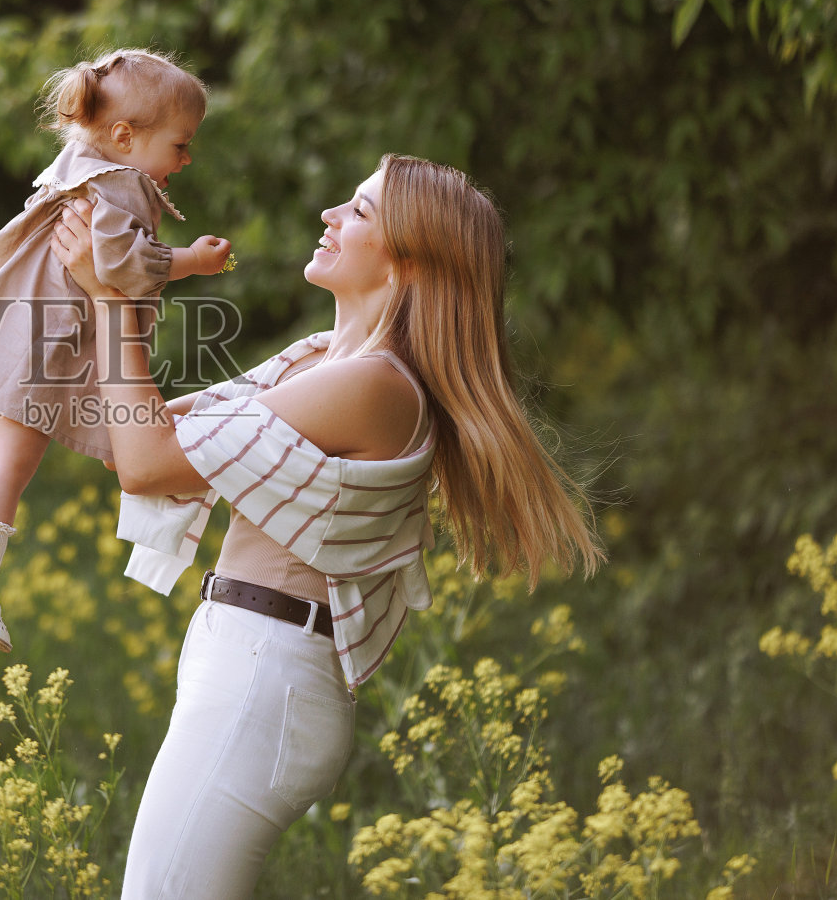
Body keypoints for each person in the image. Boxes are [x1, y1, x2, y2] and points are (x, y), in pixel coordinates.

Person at [49, 153, 604, 899]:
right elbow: (136, 442)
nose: (329, 215)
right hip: (247, 662)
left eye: (360, 210)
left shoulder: (373, 384)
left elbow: (148, 461)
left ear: (409, 262)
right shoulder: (319, 359)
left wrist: (114, 295)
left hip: (264, 674)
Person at [0, 49, 233, 656]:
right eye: (179, 144)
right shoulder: (122, 187)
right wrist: (193, 261)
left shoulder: (73, 167)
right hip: (40, 350)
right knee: (8, 467)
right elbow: (124, 265)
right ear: (124, 136)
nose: (186, 158)